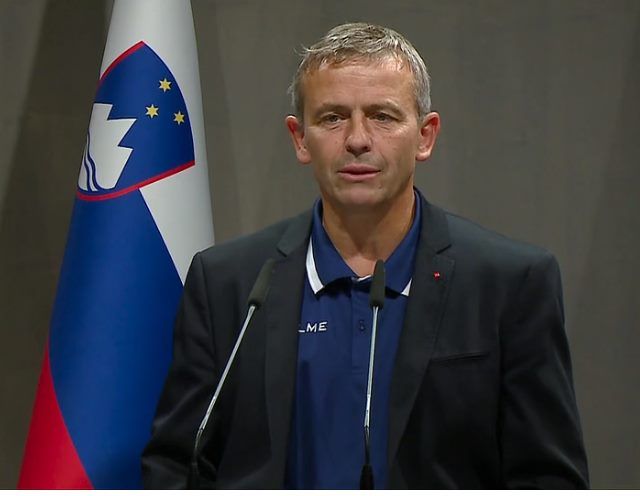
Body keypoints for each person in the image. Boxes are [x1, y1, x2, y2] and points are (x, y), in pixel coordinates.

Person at [141, 22, 589, 489]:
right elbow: (175, 465)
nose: (357, 139)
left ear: (425, 136)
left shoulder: (510, 285)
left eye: (383, 116)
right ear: (300, 138)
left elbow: (548, 478)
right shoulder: (228, 283)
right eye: (333, 118)